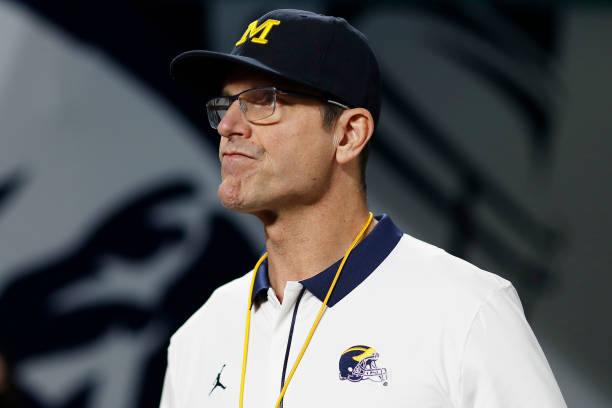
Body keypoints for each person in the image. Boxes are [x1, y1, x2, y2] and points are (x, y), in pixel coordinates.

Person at [161, 8, 566, 408]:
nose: (228, 125)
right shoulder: (200, 334)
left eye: (264, 100)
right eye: (226, 103)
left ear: (349, 134)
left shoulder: (468, 311)